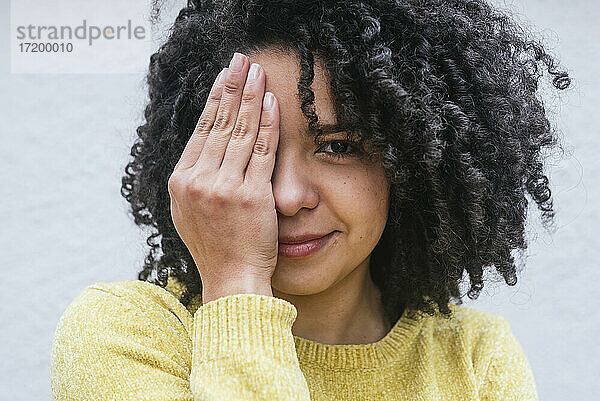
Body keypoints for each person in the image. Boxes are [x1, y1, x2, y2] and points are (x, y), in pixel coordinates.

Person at [51, 0, 570, 399]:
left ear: (412, 161)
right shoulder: (126, 336)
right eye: (253, 147)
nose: (287, 196)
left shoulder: (474, 360)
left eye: (338, 146)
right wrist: (236, 286)